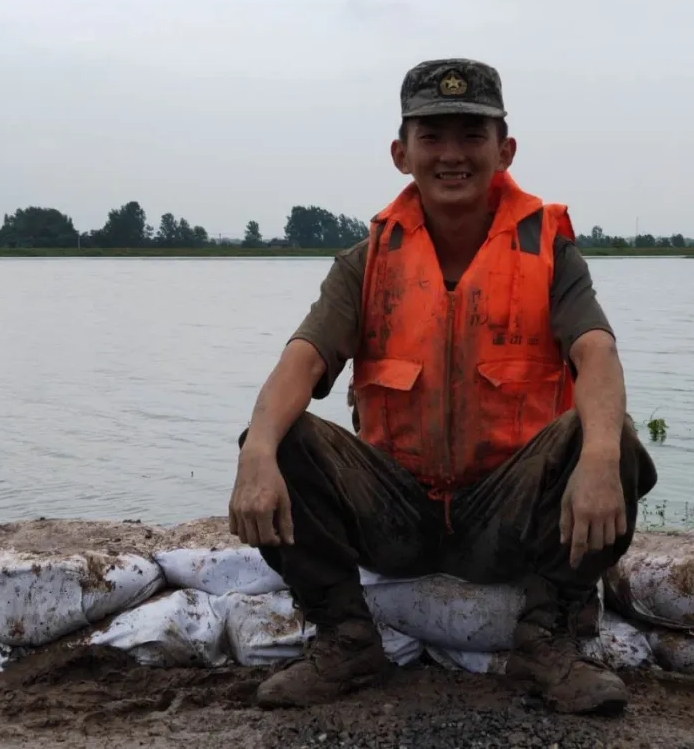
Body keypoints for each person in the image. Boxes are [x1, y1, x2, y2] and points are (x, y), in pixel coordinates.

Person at [228, 58, 657, 715]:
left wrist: (599, 458)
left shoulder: (551, 254)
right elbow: (302, 361)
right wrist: (257, 452)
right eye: (432, 136)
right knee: (278, 440)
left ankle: (546, 639)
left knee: (611, 439)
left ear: (504, 150)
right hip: (396, 514)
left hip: (507, 517)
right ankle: (346, 638)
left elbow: (596, 351)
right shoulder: (367, 262)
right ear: (401, 154)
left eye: (472, 135)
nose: (452, 155)